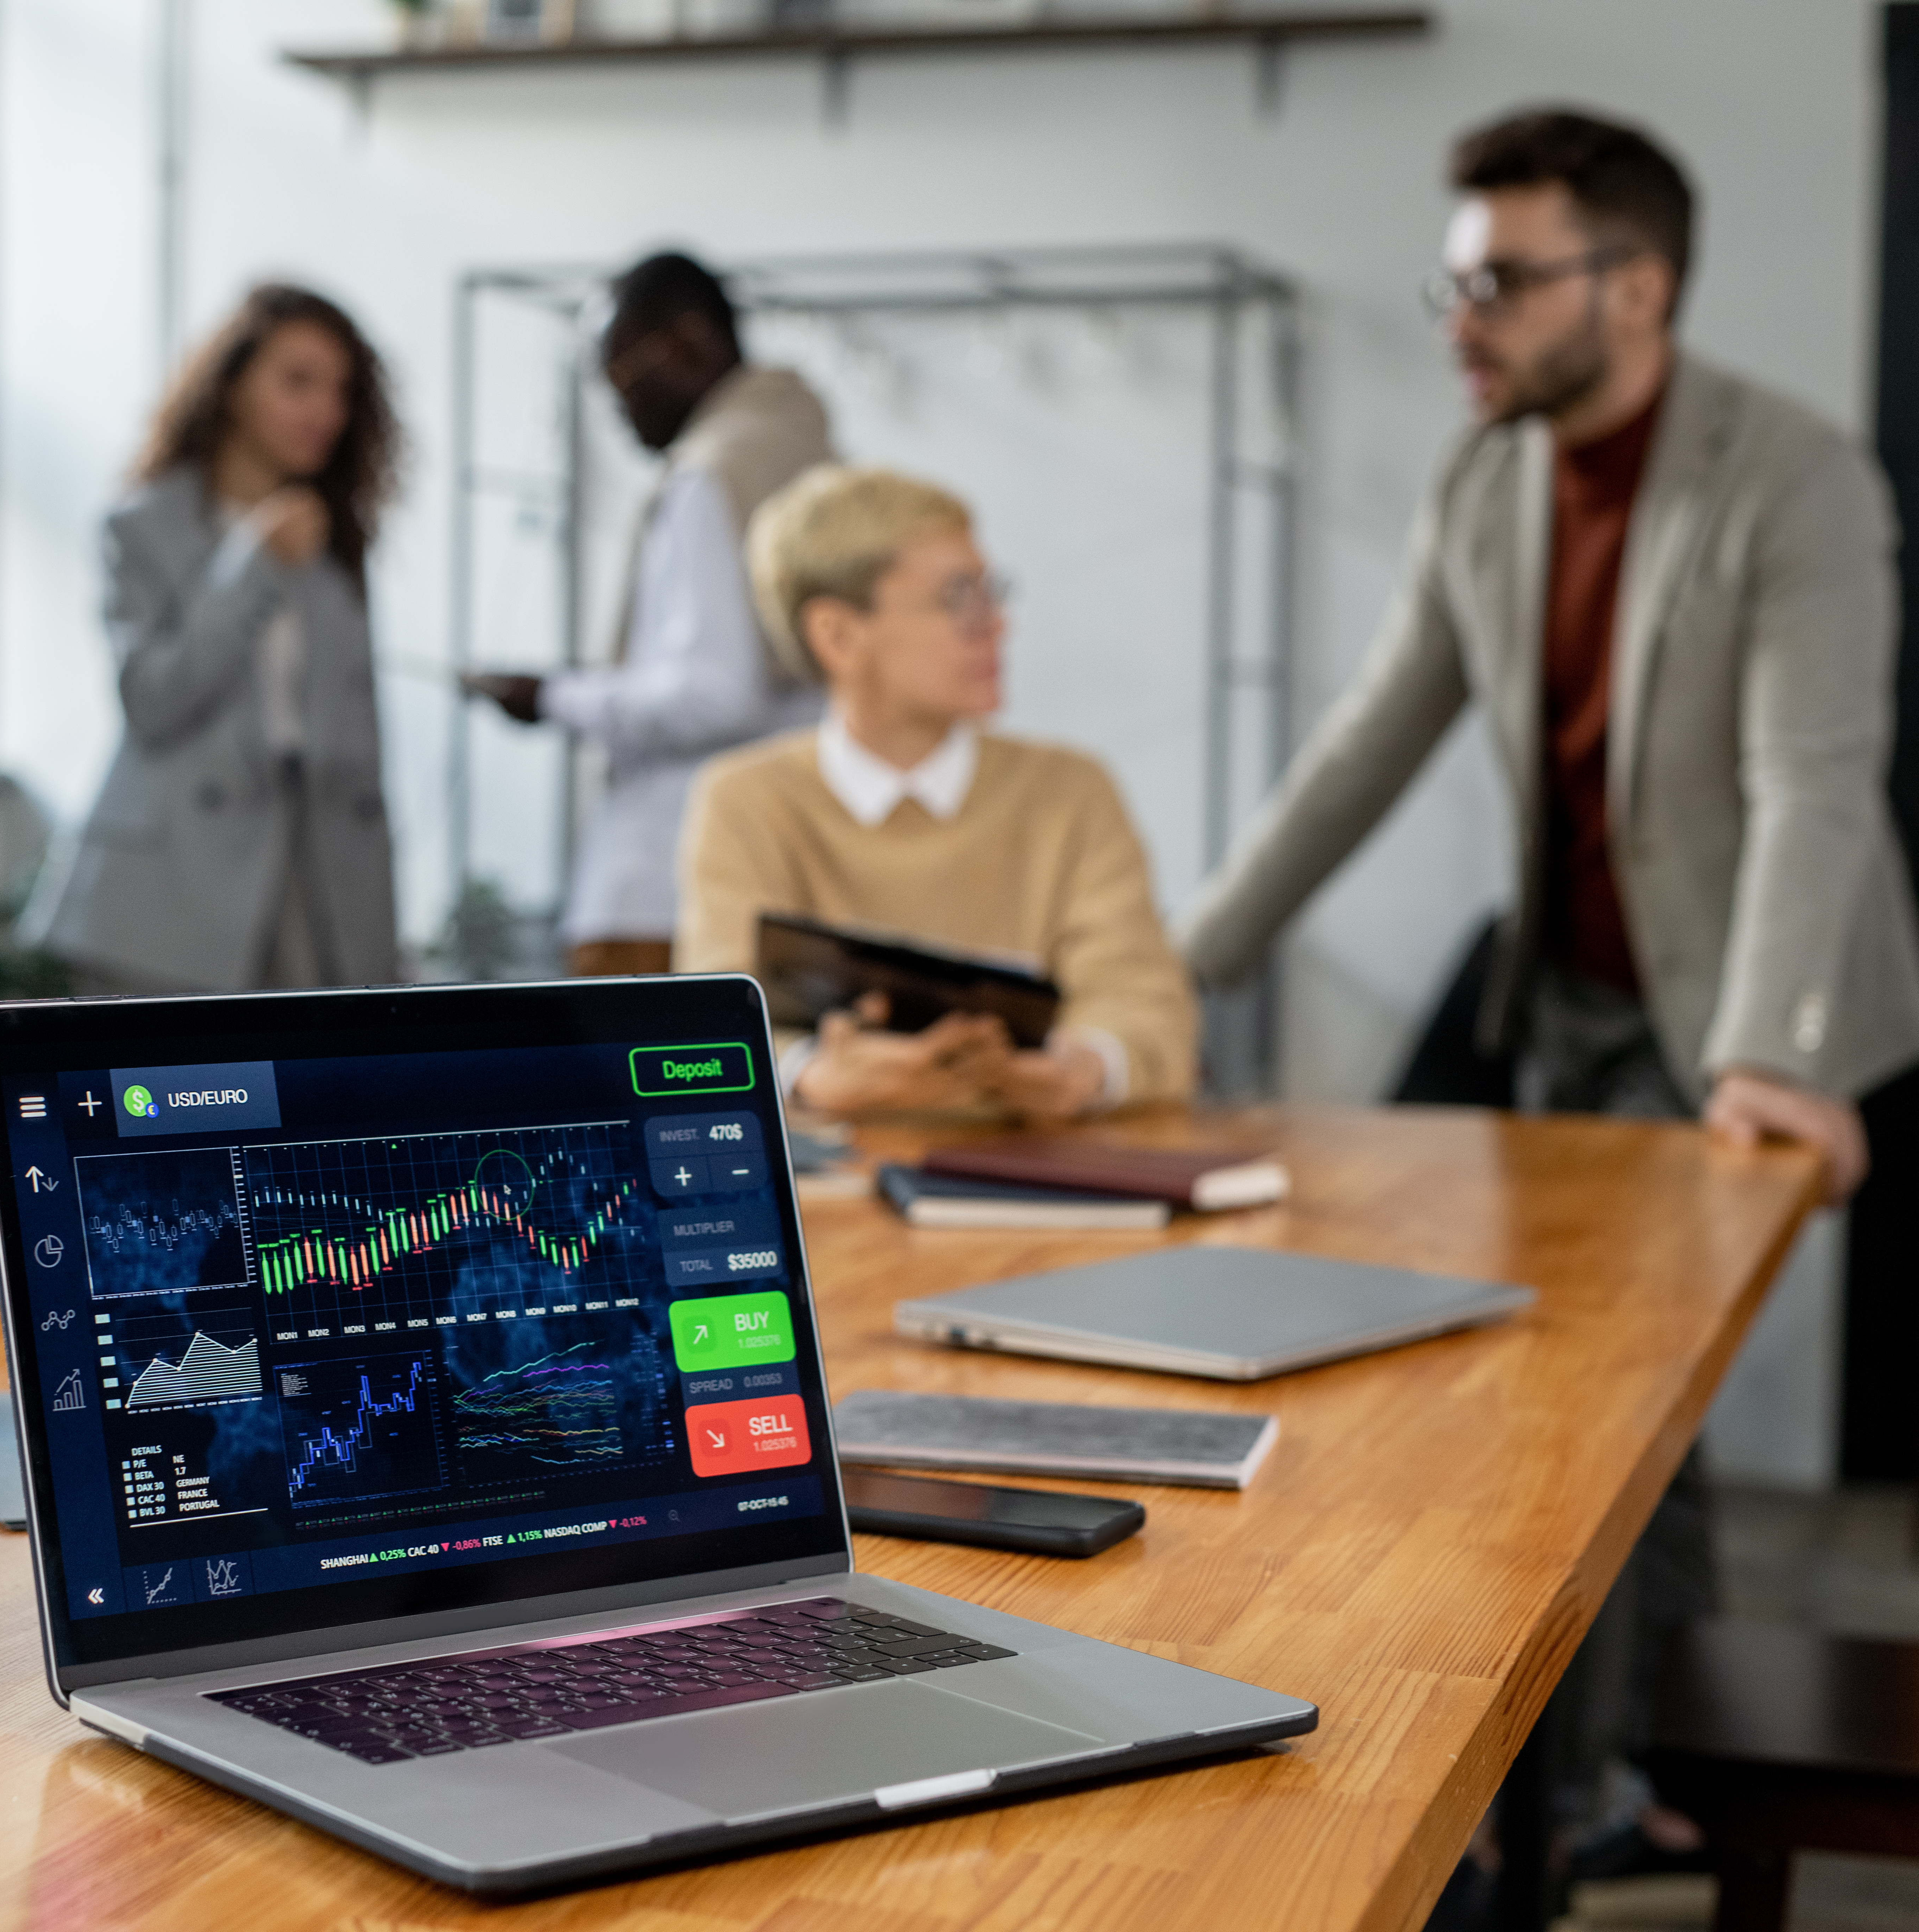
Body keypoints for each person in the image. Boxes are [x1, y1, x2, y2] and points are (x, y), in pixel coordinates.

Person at [1173, 108, 1919, 1885]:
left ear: (1635, 285)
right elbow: (1364, 746)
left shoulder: (1793, 476)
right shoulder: (1483, 480)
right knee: (1591, 1392)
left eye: (1501, 279)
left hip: (1740, 997)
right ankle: (1631, 1774)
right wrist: (1173, 966)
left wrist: (1764, 1052)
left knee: (1617, 1399)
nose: (1464, 316)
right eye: (1457, 280)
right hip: (1565, 984)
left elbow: (1811, 782)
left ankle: (1595, 1792)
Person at [675, 465, 1196, 1118]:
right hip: (835, 1175)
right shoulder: (746, 800)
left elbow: (1148, 1008)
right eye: (958, 599)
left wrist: (1085, 1068)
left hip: (1043, 1163)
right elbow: (713, 1031)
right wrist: (813, 1075)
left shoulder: (1072, 792)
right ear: (838, 635)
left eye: (992, 593)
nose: (997, 625)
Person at [464, 251, 835, 978]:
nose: (620, 411)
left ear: (687, 343)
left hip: (669, 887)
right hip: (789, 875)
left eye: (622, 379)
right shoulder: (813, 457)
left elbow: (713, 693)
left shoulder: (710, 473)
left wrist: (554, 696)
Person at [35, 285, 402, 993]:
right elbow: (152, 700)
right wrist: (254, 562)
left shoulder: (336, 544)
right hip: (171, 887)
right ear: (231, 385)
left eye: (342, 391)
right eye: (298, 382)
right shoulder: (140, 526)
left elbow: (359, 756)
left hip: (313, 885)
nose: (326, 411)